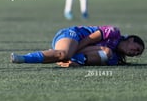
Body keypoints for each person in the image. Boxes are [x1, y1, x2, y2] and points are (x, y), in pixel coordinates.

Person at [11, 25, 144, 66]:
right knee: (64, 54)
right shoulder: (114, 32)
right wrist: (73, 51)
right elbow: (89, 38)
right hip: (73, 35)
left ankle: (68, 60)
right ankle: (23, 58)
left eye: (137, 54)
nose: (135, 53)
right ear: (131, 39)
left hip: (75, 50)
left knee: (107, 54)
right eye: (137, 49)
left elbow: (91, 61)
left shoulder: (114, 58)